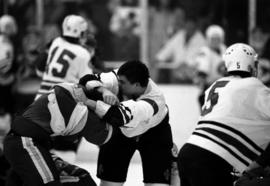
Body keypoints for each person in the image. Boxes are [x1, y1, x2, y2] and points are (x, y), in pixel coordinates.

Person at [177, 43, 270, 186]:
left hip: (187, 153)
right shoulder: (256, 87)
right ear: (252, 66)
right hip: (213, 160)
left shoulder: (216, 85)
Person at [3, 75, 113, 186]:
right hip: (26, 143)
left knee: (81, 178)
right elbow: (102, 137)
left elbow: (87, 80)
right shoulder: (83, 111)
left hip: (32, 145)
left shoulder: (69, 89)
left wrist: (102, 92)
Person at [79, 60, 174, 186]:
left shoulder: (155, 100)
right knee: (109, 184)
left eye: (122, 83)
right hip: (121, 129)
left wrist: (87, 101)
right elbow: (86, 80)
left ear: (136, 85)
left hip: (154, 132)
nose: (118, 84)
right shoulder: (122, 76)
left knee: (157, 184)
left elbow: (118, 117)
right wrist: (103, 90)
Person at [35, 14, 94, 162]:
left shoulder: (55, 42)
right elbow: (88, 84)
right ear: (80, 32)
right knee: (65, 157)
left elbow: (40, 69)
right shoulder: (83, 53)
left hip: (39, 103)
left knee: (39, 157)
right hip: (61, 107)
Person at [193, 24, 226, 107]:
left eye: (217, 39)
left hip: (225, 87)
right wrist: (202, 79)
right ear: (208, 39)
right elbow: (203, 70)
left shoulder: (225, 50)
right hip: (210, 87)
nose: (215, 41)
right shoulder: (204, 52)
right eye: (213, 39)